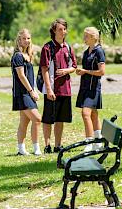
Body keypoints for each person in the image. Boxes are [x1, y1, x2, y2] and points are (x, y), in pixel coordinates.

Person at [40, 18, 77, 153]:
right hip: (51, 90)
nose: (63, 32)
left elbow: (73, 66)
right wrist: (49, 89)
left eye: (64, 29)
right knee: (48, 119)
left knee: (60, 119)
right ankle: (47, 145)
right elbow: (44, 69)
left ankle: (57, 146)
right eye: (60, 29)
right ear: (54, 31)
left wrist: (66, 71)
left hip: (65, 89)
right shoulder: (47, 48)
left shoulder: (68, 47)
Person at [11, 29, 42, 156]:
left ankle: (21, 149)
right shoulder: (18, 56)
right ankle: (36, 149)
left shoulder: (28, 55)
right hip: (22, 93)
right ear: (19, 40)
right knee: (37, 119)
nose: (27, 41)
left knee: (25, 122)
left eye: (28, 38)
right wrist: (31, 91)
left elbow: (30, 76)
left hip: (28, 92)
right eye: (24, 38)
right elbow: (21, 76)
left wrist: (33, 90)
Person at [76, 27, 106, 152]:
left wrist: (86, 71)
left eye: (86, 36)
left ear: (94, 37)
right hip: (84, 87)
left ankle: (89, 141)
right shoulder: (86, 52)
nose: (84, 38)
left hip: (93, 88)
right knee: (93, 113)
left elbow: (102, 72)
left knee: (85, 113)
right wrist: (81, 72)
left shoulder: (99, 51)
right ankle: (98, 140)